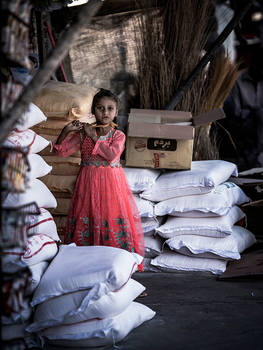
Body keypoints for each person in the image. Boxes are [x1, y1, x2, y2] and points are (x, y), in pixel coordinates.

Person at [52, 88, 145, 271]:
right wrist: (66, 130)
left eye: (110, 109)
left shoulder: (118, 135)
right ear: (93, 111)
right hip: (87, 183)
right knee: (89, 217)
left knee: (110, 218)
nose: (105, 113)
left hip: (111, 184)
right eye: (100, 108)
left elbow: (111, 155)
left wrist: (94, 137)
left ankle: (119, 267)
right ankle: (87, 266)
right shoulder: (83, 134)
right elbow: (59, 151)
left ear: (116, 112)